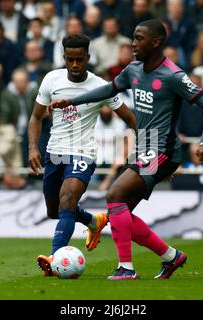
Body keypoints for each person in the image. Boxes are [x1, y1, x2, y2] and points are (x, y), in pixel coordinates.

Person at [49, 20, 203, 280]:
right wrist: (70, 101)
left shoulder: (172, 75)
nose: (133, 44)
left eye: (139, 39)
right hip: (145, 147)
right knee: (121, 212)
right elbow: (107, 90)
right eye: (133, 38)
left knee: (114, 193)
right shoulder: (134, 70)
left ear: (156, 42)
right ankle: (172, 257)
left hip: (161, 148)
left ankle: (126, 269)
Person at [28, 34, 137, 277]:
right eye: (70, 59)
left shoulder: (100, 86)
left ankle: (54, 258)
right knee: (55, 210)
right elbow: (35, 117)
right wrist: (33, 148)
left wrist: (155, 151)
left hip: (83, 153)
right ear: (64, 58)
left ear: (88, 57)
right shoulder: (51, 79)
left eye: (80, 59)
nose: (75, 65)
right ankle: (92, 221)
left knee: (67, 199)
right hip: (54, 154)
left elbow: (131, 119)